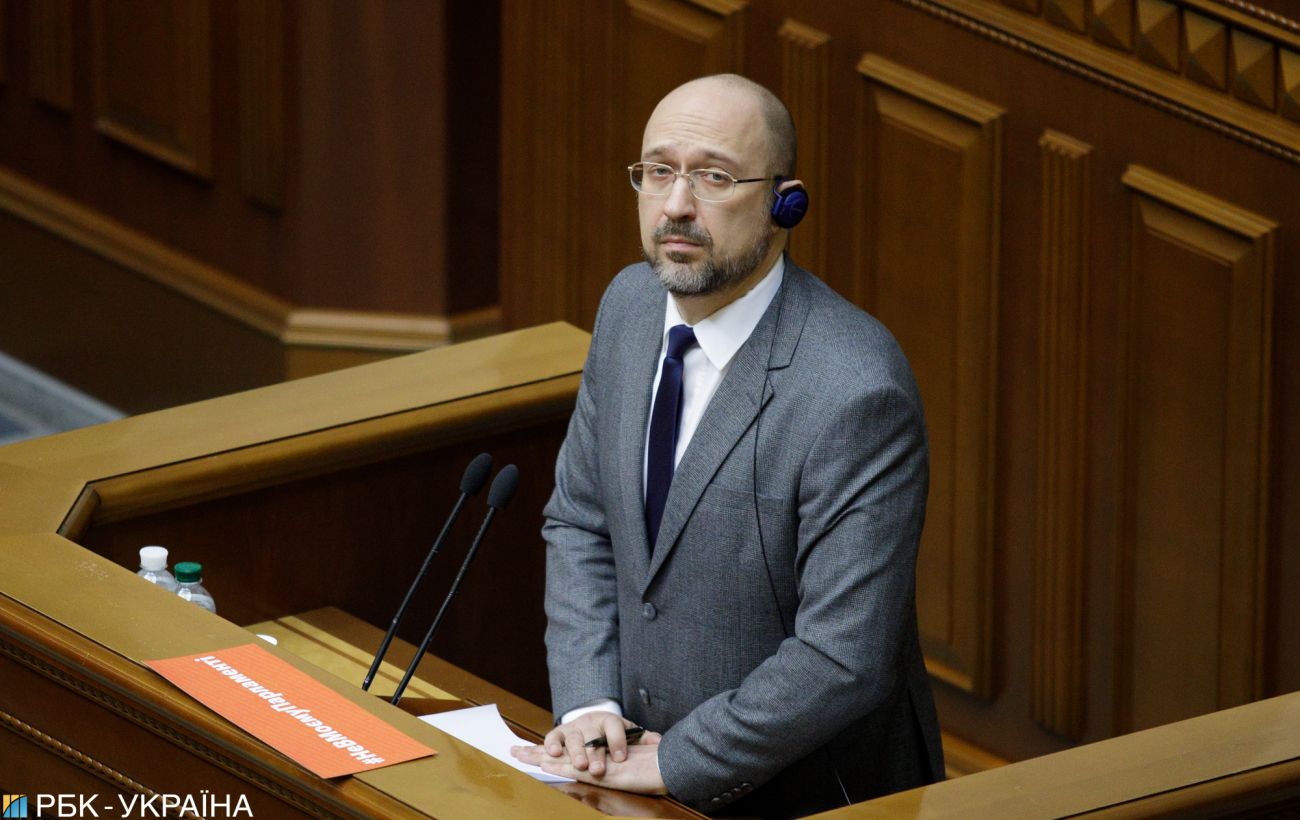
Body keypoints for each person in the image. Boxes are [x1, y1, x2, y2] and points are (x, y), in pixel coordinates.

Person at [511, 73, 943, 818]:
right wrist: (588, 704)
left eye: (714, 177)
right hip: (631, 782)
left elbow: (843, 656)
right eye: (658, 171)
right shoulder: (628, 307)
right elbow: (581, 520)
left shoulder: (855, 390)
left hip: (809, 797)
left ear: (785, 203)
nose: (676, 205)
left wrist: (680, 760)